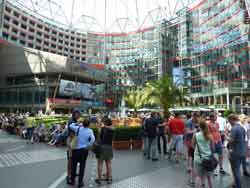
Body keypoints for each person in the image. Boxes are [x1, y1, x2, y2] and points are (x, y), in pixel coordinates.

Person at [69, 118, 95, 187]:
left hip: (76, 149)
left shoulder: (78, 128)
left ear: (82, 124)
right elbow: (93, 139)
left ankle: (72, 180)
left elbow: (70, 126)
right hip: (84, 150)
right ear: (89, 124)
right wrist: (88, 145)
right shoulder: (90, 131)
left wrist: (77, 123)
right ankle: (80, 182)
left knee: (73, 165)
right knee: (82, 166)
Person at [227, 114, 246, 188]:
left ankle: (238, 186)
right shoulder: (242, 128)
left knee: (236, 170)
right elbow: (243, 138)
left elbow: (231, 140)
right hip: (242, 151)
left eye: (229, 121)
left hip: (235, 152)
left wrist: (226, 136)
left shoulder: (234, 128)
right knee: (238, 169)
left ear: (232, 119)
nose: (229, 122)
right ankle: (236, 184)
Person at [192, 120, 213, 188]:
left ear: (199, 127)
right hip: (208, 159)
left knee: (199, 176)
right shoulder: (209, 135)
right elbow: (213, 147)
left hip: (198, 158)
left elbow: (193, 146)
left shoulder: (196, 135)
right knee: (209, 177)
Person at [95, 117, 114, 185]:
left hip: (102, 147)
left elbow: (99, 138)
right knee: (108, 163)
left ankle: (99, 178)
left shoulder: (103, 128)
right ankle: (109, 178)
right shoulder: (112, 129)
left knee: (100, 163)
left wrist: (99, 127)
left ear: (105, 123)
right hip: (109, 147)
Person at [66, 108, 81, 185]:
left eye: (78, 114)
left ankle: (72, 173)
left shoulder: (76, 121)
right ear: (74, 114)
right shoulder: (71, 121)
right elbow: (73, 132)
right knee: (70, 159)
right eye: (77, 114)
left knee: (74, 159)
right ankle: (69, 176)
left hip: (74, 141)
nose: (78, 115)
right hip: (71, 140)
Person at [185, 112, 199, 187]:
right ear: (193, 116)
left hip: (195, 140)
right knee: (189, 153)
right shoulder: (188, 122)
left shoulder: (197, 122)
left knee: (192, 154)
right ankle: (189, 167)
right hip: (189, 140)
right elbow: (187, 132)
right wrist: (194, 131)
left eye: (197, 117)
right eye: (196, 117)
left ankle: (192, 166)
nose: (197, 118)